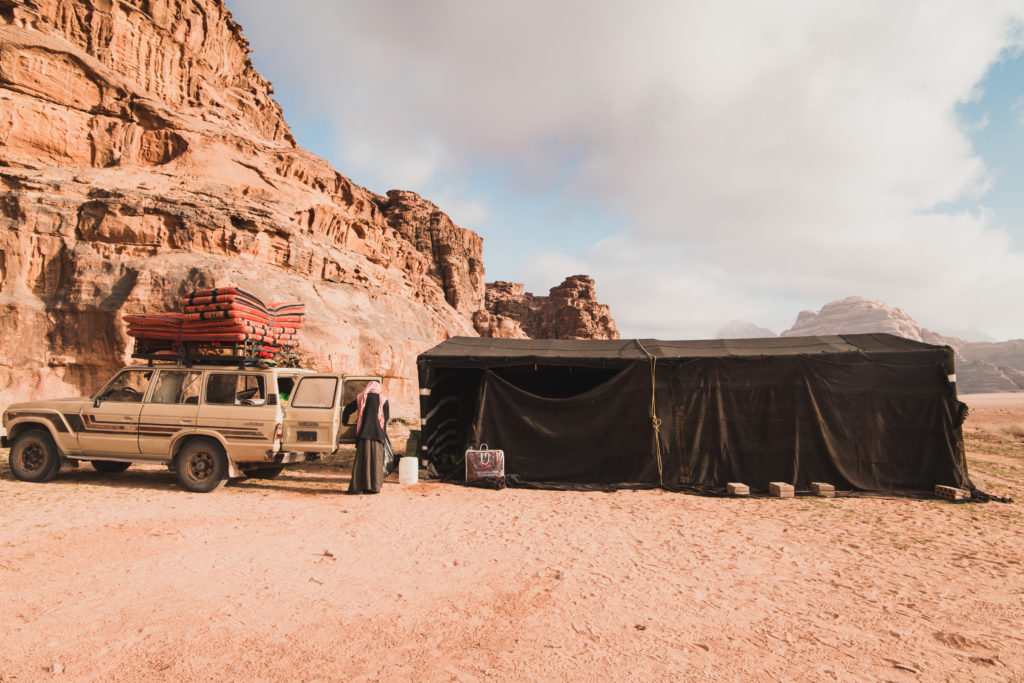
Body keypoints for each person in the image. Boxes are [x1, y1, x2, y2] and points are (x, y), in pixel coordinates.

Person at [342, 381, 390, 494]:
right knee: (376, 461)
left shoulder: (362, 397)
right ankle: (374, 488)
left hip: (364, 434)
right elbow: (386, 418)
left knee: (362, 461)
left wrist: (345, 422)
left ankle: (358, 488)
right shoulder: (383, 399)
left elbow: (348, 408)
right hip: (378, 435)